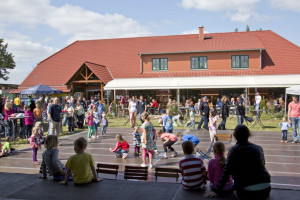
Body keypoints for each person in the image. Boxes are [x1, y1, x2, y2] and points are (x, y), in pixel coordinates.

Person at [206, 125, 271, 199]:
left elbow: (227, 171)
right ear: (248, 134)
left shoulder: (234, 150)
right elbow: (262, 165)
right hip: (266, 188)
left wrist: (216, 191)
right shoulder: (258, 148)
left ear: (235, 135)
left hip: (247, 191)